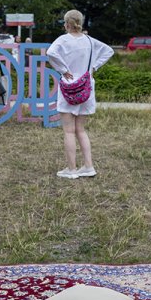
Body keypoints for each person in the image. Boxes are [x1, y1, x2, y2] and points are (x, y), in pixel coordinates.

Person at [46, 9, 114, 179]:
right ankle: (89, 166)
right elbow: (109, 51)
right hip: (85, 87)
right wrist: (93, 67)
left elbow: (50, 53)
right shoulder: (90, 41)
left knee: (69, 131)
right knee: (80, 130)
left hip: (69, 87)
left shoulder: (63, 39)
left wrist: (63, 69)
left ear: (67, 23)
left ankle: (71, 169)